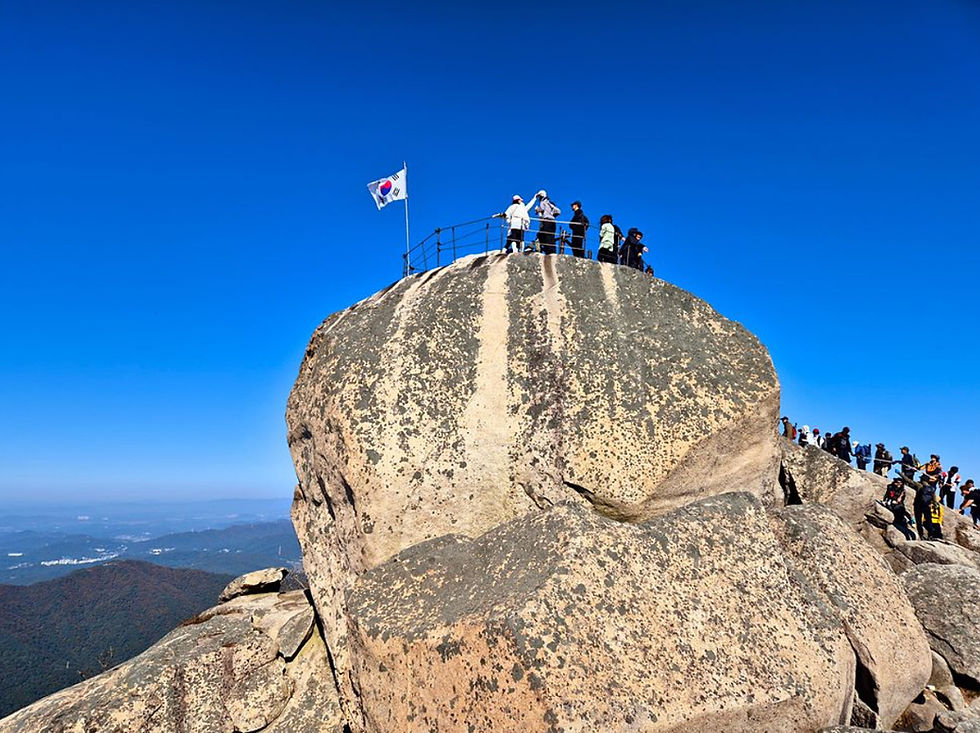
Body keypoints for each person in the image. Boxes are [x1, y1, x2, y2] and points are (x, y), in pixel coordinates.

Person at [533, 190, 560, 254]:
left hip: (547, 221)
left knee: (546, 236)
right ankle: (552, 250)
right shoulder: (549, 203)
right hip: (553, 221)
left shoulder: (543, 202)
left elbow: (541, 209)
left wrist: (537, 210)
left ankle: (548, 250)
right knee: (551, 236)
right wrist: (552, 214)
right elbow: (558, 211)